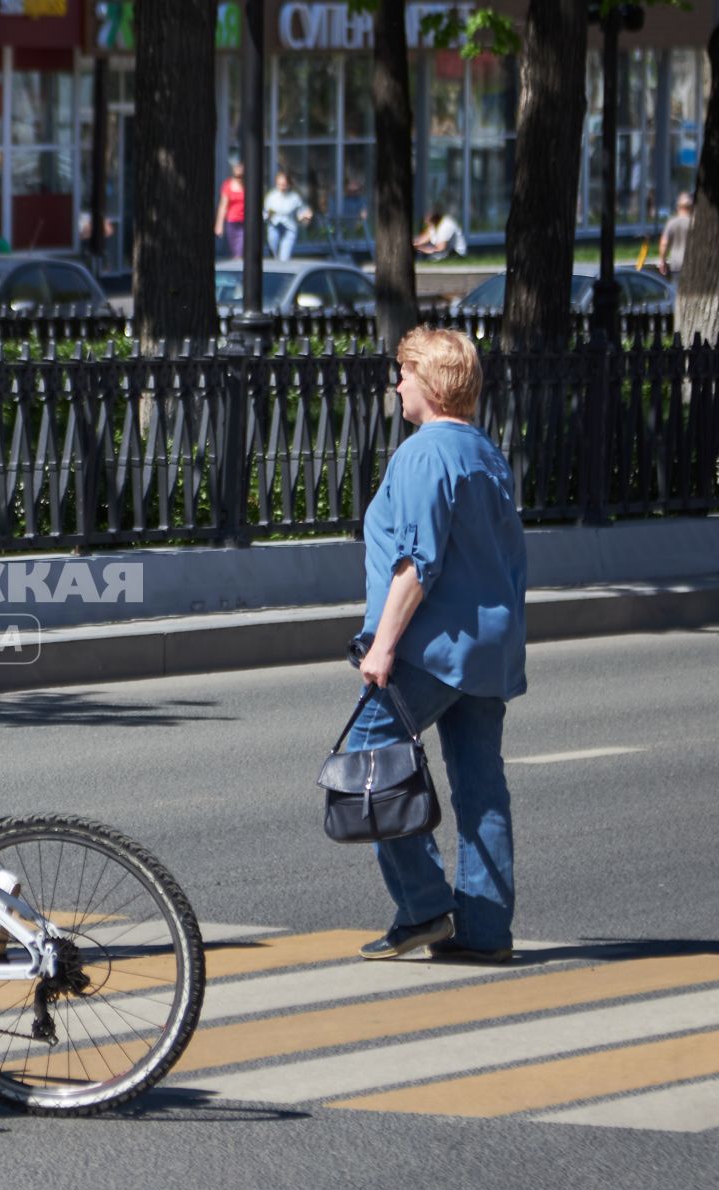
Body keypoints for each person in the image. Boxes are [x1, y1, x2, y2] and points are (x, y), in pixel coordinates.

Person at [350, 326, 526, 966]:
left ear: (431, 381)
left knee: (369, 768)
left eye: (404, 373)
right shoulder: (484, 452)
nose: (397, 384)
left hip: (432, 647)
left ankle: (424, 907)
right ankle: (485, 930)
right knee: (481, 789)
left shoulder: (424, 454)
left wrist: (382, 647)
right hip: (488, 645)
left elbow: (415, 565)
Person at [263, 171, 314, 262]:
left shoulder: (294, 197)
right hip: (274, 227)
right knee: (274, 252)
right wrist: (268, 216)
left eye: (284, 184)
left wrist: (305, 217)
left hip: (289, 229)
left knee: (284, 257)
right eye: (279, 184)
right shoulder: (272, 196)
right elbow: (265, 213)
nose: (282, 187)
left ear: (289, 184)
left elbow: (302, 213)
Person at [657, 192, 693, 279]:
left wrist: (662, 260)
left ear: (678, 207)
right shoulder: (695, 222)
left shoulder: (671, 222)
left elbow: (664, 243)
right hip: (693, 264)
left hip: (676, 263)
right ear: (690, 207)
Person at [215, 161, 247, 260]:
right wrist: (219, 224)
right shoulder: (227, 185)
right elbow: (223, 205)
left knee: (241, 248)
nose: (239, 178)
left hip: (245, 221)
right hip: (232, 221)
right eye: (237, 176)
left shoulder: (248, 185)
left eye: (241, 176)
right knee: (234, 250)